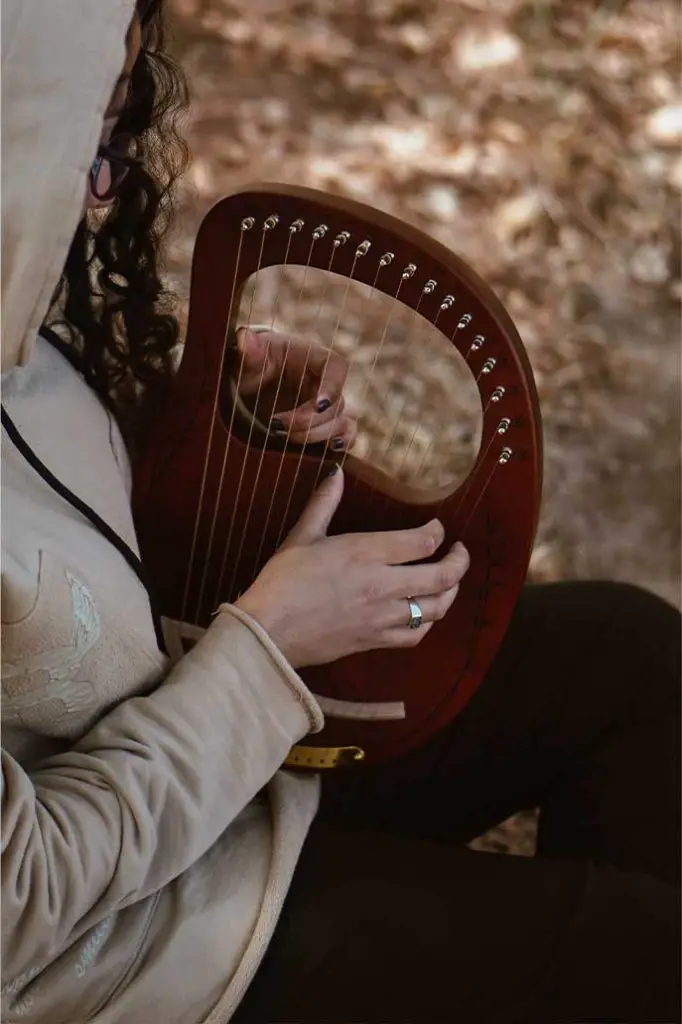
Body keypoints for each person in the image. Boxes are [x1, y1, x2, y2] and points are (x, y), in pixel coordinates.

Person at [1, 2, 679, 1022]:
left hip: (223, 773)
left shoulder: (20, 317)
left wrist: (226, 450)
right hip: (145, 951)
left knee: (633, 656)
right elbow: (22, 906)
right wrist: (268, 643)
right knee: (646, 949)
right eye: (86, 137)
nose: (104, 188)